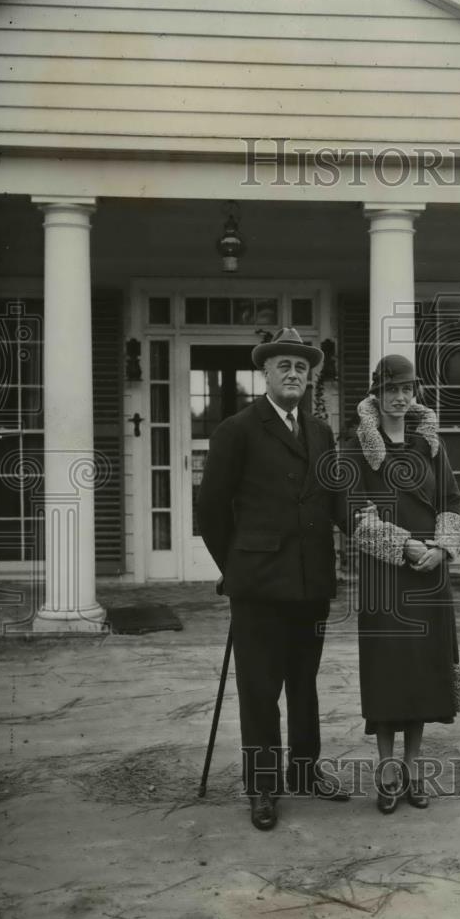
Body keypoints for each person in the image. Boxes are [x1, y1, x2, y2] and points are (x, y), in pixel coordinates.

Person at [197, 327, 349, 832]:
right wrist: (235, 567)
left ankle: (305, 772)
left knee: (304, 685)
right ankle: (263, 787)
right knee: (260, 690)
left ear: (310, 378)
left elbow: (336, 501)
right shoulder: (237, 429)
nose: (293, 374)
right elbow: (212, 512)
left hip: (311, 583)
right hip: (258, 586)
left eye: (302, 367)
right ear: (265, 372)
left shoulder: (321, 433)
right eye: (283, 365)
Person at [339, 355, 460, 814]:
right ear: (375, 393)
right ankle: (387, 771)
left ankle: (414, 769)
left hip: (430, 574)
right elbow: (353, 512)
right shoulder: (357, 447)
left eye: (407, 389)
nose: (399, 397)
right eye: (390, 389)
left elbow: (452, 500)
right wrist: (406, 546)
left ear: (416, 394)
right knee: (389, 670)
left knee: (422, 673)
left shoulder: (429, 444)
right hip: (385, 575)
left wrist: (442, 548)